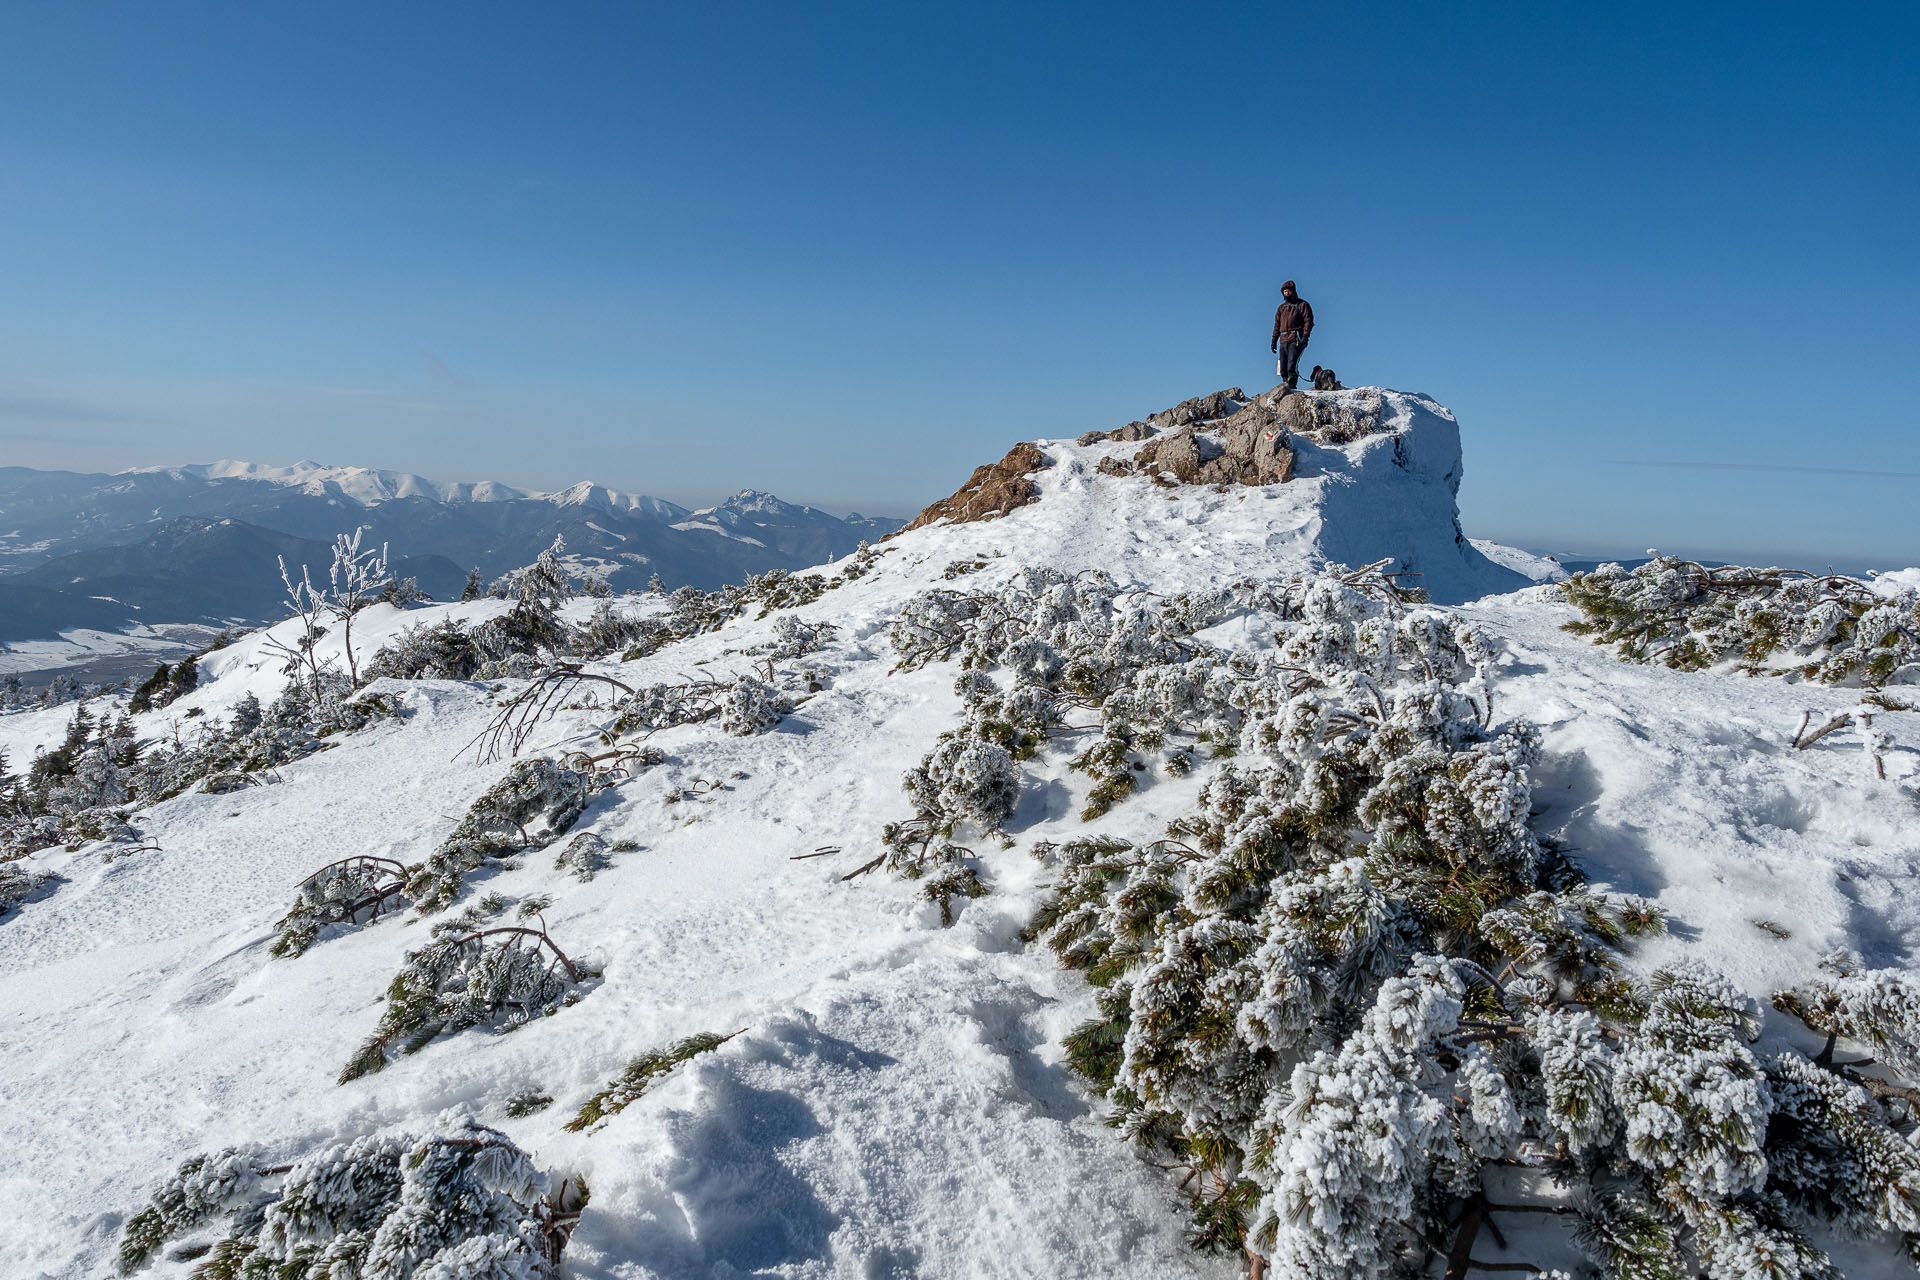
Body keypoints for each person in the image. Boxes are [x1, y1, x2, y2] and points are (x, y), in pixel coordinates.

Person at [1269, 280, 1315, 391]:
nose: (1286, 294)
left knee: (1291, 365)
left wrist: (1305, 336)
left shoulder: (1302, 305)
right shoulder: (1281, 308)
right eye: (1284, 292)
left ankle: (1292, 386)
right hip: (1283, 340)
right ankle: (1285, 384)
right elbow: (1277, 325)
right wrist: (1274, 340)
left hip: (1296, 339)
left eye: (1288, 291)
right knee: (1282, 367)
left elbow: (1308, 321)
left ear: (1293, 291)